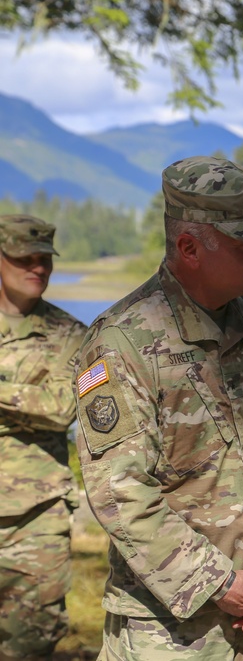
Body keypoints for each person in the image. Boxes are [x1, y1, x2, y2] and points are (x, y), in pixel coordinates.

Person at [74, 156, 243, 660]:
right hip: (168, 630)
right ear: (189, 247)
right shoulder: (122, 342)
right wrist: (219, 584)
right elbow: (120, 492)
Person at [0, 214, 86, 661]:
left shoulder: (74, 336)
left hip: (35, 518)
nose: (38, 268)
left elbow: (64, 409)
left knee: (31, 642)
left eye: (45, 260)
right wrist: (24, 399)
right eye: (23, 259)